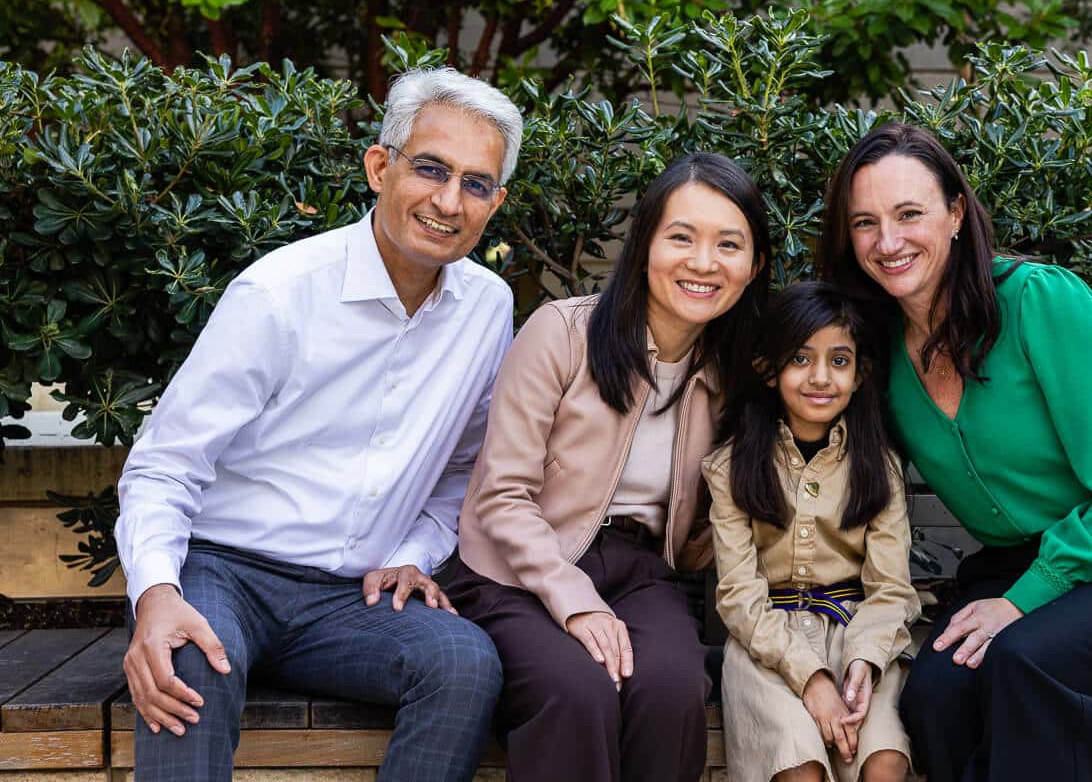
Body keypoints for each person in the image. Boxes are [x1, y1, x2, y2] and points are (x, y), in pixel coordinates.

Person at [115, 67, 523, 781]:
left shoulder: (488, 309)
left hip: (353, 599)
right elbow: (164, 464)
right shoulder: (279, 293)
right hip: (223, 571)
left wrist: (416, 553)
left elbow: (466, 467)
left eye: (475, 183)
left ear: (496, 202)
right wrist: (156, 594)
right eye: (430, 168)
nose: (448, 200)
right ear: (380, 167)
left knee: (464, 662)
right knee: (187, 656)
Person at [817, 122, 1092, 782]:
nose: (888, 242)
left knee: (1024, 663)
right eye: (865, 223)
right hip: (1016, 568)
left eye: (909, 214)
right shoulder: (878, 348)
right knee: (935, 696)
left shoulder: (1039, 301)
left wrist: (1020, 602)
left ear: (956, 213)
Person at [447, 152, 772, 782]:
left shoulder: (734, 374)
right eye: (681, 237)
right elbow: (502, 494)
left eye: (729, 245)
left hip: (641, 572)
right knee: (577, 688)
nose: (704, 262)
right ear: (645, 244)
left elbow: (716, 523)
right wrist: (575, 601)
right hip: (514, 570)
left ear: (754, 265)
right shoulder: (563, 333)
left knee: (673, 689)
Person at [703, 281, 919, 782]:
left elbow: (891, 589)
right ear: (767, 369)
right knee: (800, 768)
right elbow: (738, 595)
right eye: (800, 359)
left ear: (860, 375)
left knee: (883, 761)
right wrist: (810, 677)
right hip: (766, 645)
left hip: (858, 634)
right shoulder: (731, 467)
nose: (821, 377)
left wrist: (865, 661)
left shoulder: (878, 466)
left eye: (839, 361)